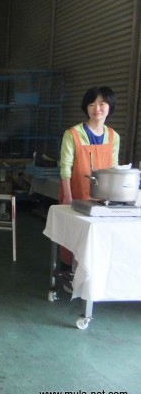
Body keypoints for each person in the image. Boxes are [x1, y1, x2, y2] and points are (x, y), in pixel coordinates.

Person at [58, 86, 120, 270]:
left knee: (97, 238)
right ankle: (67, 271)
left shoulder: (113, 136)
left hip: (102, 198)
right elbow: (65, 167)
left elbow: (114, 168)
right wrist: (68, 196)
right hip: (76, 194)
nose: (97, 108)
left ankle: (91, 272)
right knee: (71, 235)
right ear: (86, 107)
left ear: (110, 107)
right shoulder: (73, 134)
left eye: (102, 104)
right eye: (92, 104)